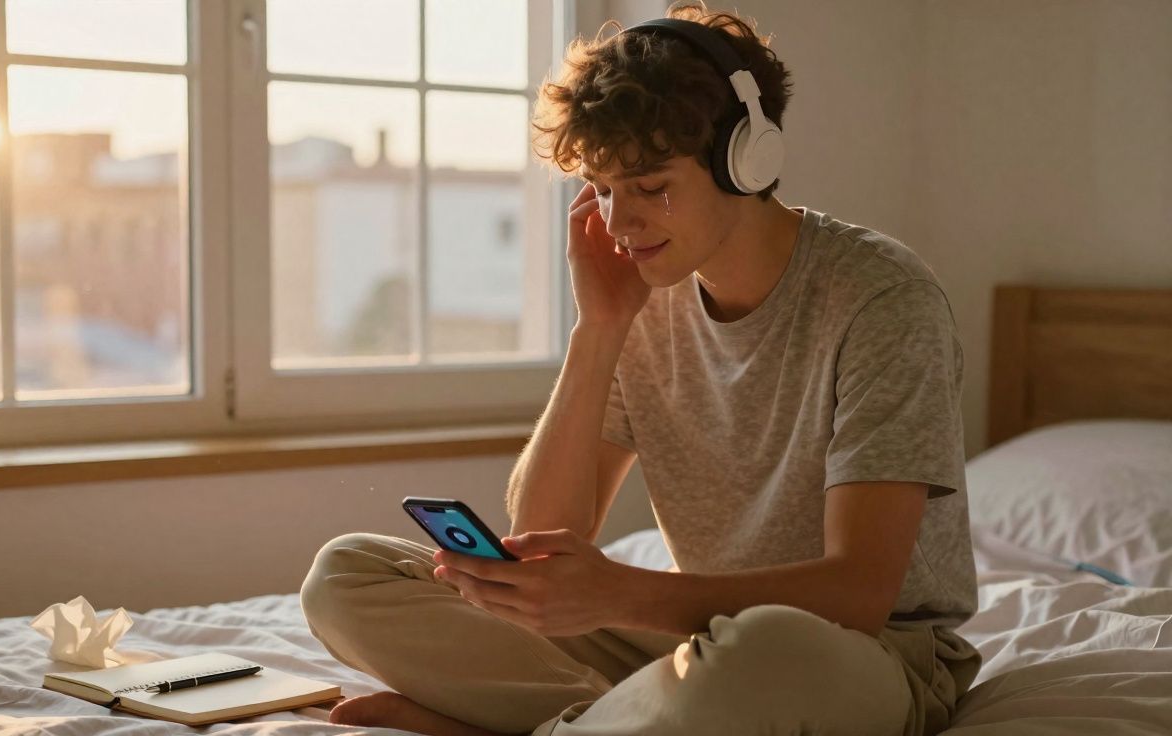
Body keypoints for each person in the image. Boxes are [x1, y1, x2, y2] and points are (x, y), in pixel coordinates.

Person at [299, 2, 982, 734]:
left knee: (763, 646)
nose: (620, 226)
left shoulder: (881, 298)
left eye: (651, 187)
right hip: (697, 639)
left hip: (859, 655)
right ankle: (603, 720)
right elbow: (540, 536)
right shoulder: (644, 295)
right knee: (347, 576)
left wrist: (620, 594)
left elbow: (859, 593)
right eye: (602, 188)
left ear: (746, 160)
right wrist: (599, 329)